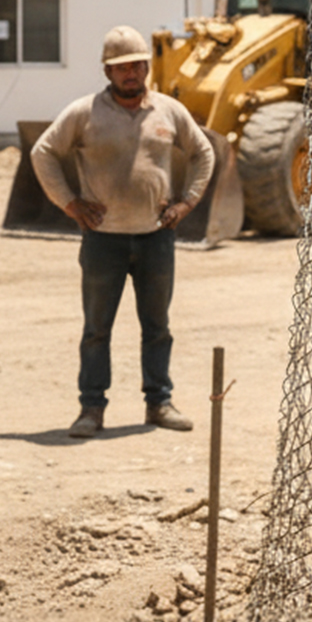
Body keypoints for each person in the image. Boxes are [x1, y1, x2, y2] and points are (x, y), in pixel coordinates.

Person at [32, 24, 216, 439]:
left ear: (147, 67)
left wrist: (187, 202)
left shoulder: (168, 111)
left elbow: (203, 152)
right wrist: (70, 203)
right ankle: (91, 409)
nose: (130, 73)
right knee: (97, 330)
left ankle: (159, 403)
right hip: (103, 241)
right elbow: (43, 152)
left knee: (158, 327)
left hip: (156, 238)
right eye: (121, 67)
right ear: (107, 71)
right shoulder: (84, 113)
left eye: (136, 65)